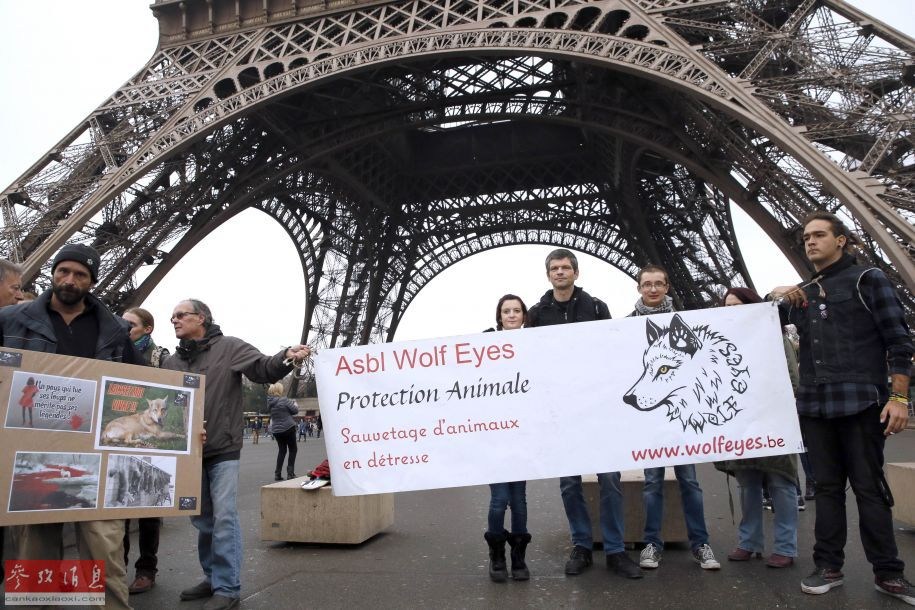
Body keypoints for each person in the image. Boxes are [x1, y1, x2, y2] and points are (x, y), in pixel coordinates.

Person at [768, 211, 914, 604]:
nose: (810, 242)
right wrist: (774, 297)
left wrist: (899, 398)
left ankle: (888, 572)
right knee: (827, 490)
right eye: (806, 238)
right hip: (815, 405)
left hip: (861, 402)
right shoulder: (803, 291)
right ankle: (828, 565)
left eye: (818, 235)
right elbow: (755, 325)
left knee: (870, 489)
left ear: (841, 240)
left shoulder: (869, 280)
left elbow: (899, 342)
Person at [0, 243, 141, 610]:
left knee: (104, 552)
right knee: (35, 556)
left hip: (96, 455)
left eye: (80, 274)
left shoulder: (114, 331)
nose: (70, 279)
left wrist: (190, 428)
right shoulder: (10, 320)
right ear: (53, 272)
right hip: (32, 452)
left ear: (91, 281)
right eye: (64, 271)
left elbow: (147, 385)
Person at [162, 298, 310, 610]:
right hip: (189, 453)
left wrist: (285, 356)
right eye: (172, 316)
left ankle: (227, 587)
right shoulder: (171, 363)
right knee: (202, 521)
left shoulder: (228, 347)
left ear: (201, 317)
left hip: (223, 448)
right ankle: (213, 577)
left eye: (181, 315)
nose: (174, 320)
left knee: (224, 517)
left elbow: (262, 369)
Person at [527, 249, 641, 578]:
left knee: (611, 481)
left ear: (576, 273)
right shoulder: (536, 314)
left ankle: (616, 550)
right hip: (562, 412)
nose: (560, 272)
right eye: (554, 268)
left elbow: (613, 352)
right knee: (569, 484)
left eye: (565, 267)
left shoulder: (596, 307)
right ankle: (582, 545)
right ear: (548, 275)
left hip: (598, 408)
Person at [628, 264, 720, 571]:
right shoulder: (624, 327)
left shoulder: (689, 326)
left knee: (689, 482)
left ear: (667, 287)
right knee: (652, 482)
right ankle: (652, 543)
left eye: (658, 284)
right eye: (647, 284)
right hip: (649, 420)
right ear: (639, 288)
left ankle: (700, 544)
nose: (652, 289)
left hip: (681, 417)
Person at [715, 287, 799, 568]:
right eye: (726, 307)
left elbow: (792, 378)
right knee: (747, 483)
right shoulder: (720, 344)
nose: (731, 311)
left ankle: (786, 547)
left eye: (737, 305)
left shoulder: (774, 336)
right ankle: (748, 542)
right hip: (741, 422)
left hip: (773, 420)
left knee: (781, 481)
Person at [483, 294, 532, 582]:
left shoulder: (536, 343)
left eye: (516, 310)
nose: (511, 315)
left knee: (520, 500)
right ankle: (497, 554)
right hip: (495, 434)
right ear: (499, 316)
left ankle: (518, 556)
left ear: (524, 315)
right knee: (500, 500)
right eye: (506, 311)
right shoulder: (484, 344)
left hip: (523, 434)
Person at [121, 307, 170, 594]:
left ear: (147, 328)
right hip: (125, 436)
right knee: (119, 508)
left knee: (149, 508)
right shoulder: (113, 350)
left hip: (152, 440)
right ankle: (119, 566)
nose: (124, 327)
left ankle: (146, 570)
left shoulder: (161, 358)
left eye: (131, 324)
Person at [267, 382, 299, 480]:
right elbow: (295, 411)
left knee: (282, 450)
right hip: (288, 428)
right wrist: (295, 404)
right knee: (293, 449)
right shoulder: (284, 400)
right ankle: (290, 473)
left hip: (276, 430)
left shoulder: (270, 403)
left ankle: (277, 473)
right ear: (280, 390)